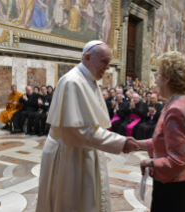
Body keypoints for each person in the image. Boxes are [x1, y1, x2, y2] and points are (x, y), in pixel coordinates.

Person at [36, 41, 139, 212]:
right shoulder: (72, 81)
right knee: (71, 203)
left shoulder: (89, 79)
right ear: (88, 57)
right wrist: (122, 143)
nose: (107, 67)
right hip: (69, 155)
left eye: (109, 62)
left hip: (85, 150)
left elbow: (93, 123)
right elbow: (83, 130)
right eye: (104, 62)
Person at [136, 51, 185, 212]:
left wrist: (150, 162)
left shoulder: (176, 109)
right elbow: (168, 142)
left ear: (167, 78)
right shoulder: (184, 100)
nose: (155, 80)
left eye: (157, 75)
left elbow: (177, 161)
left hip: (175, 185)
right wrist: (137, 144)